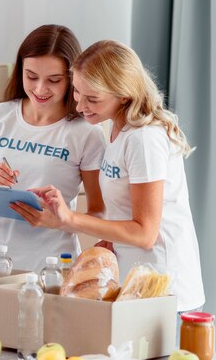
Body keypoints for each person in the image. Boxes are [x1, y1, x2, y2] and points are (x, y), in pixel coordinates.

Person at [12, 40, 205, 313]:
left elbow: (145, 233)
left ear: (124, 95)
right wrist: (109, 239)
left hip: (165, 289)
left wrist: (68, 218)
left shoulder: (143, 139)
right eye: (78, 92)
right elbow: (125, 209)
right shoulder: (117, 131)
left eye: (93, 99)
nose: (80, 106)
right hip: (136, 282)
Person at [0, 24, 106, 273]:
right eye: (31, 76)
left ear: (72, 79)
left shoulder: (86, 132)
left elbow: (98, 214)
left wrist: (59, 219)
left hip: (52, 266)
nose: (40, 89)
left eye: (54, 80)